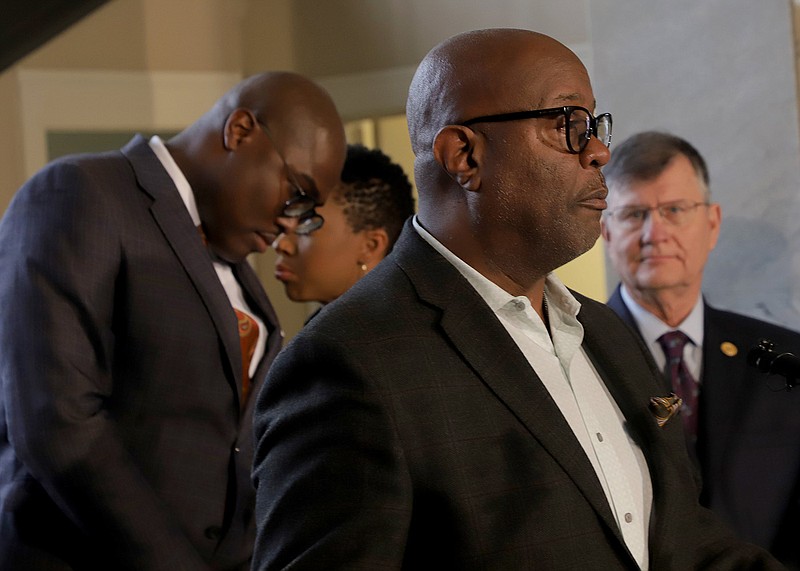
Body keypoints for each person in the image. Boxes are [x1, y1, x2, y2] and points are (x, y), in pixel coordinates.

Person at [250, 29, 782, 570]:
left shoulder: (604, 332)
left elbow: (684, 544)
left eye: (595, 125)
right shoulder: (350, 362)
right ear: (464, 155)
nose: (599, 151)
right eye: (568, 125)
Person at [0, 71, 346, 570]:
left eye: (307, 212)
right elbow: (58, 424)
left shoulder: (234, 266)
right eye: (296, 192)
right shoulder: (81, 192)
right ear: (241, 130)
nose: (291, 222)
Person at [601, 130, 800, 567]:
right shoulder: (575, 352)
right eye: (634, 214)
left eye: (674, 210)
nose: (655, 233)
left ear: (712, 224)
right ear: (606, 232)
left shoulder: (786, 360)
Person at [272, 143, 415, 306]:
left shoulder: (401, 328)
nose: (281, 244)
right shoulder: (332, 326)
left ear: (370, 246)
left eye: (307, 224)